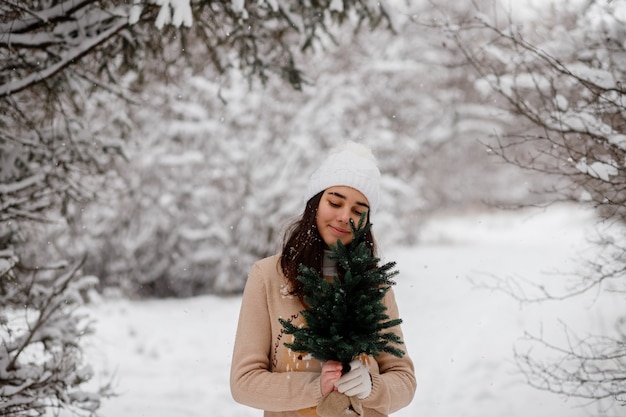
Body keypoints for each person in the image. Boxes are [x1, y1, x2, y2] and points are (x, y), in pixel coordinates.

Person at [230, 141, 416, 417]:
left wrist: (372, 388)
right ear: (315, 203)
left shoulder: (374, 284)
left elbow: (404, 380)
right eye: (335, 202)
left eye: (357, 210)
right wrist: (316, 387)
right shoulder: (268, 277)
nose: (344, 217)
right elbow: (244, 383)